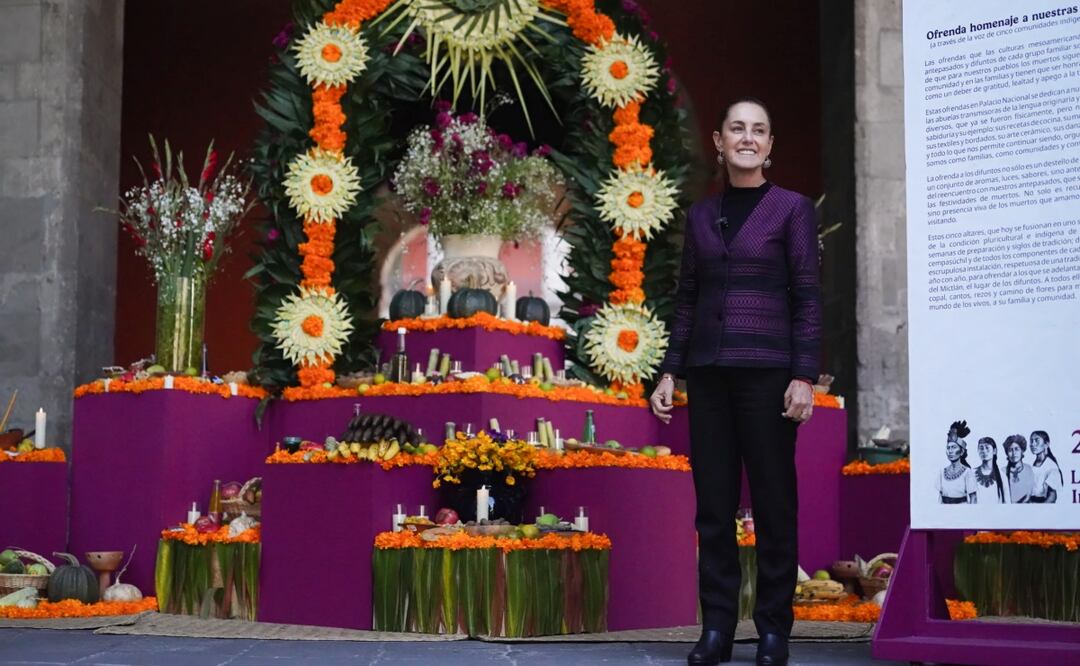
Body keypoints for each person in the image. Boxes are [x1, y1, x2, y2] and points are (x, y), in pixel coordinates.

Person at [650, 97, 820, 666]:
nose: (748, 138)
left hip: (769, 375)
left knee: (774, 505)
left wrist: (803, 376)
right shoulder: (701, 216)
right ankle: (717, 629)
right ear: (719, 143)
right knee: (714, 509)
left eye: (760, 130)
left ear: (770, 146)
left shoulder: (792, 209)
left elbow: (808, 297)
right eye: (737, 129)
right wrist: (670, 369)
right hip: (709, 376)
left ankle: (773, 631)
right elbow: (688, 299)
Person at [936, 421, 976, 504]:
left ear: (961, 452)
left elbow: (973, 498)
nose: (950, 451)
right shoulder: (942, 472)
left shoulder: (967, 472)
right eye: (948, 448)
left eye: (953, 447)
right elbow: (940, 497)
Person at [1028, 430, 1062, 503]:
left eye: (1037, 441)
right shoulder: (1033, 464)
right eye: (1031, 441)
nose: (1033, 444)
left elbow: (1052, 497)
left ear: (1046, 444)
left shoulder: (1051, 467)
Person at [972, 436, 1006, 504]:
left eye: (987, 448)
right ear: (978, 451)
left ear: (994, 451)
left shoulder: (1002, 475)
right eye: (981, 448)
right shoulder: (972, 473)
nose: (984, 451)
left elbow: (1007, 502)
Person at [1003, 435, 1034, 504]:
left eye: (1017, 449)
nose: (1014, 453)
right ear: (1007, 453)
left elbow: (1030, 494)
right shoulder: (1002, 472)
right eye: (1010, 450)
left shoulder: (1029, 469)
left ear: (1022, 451)